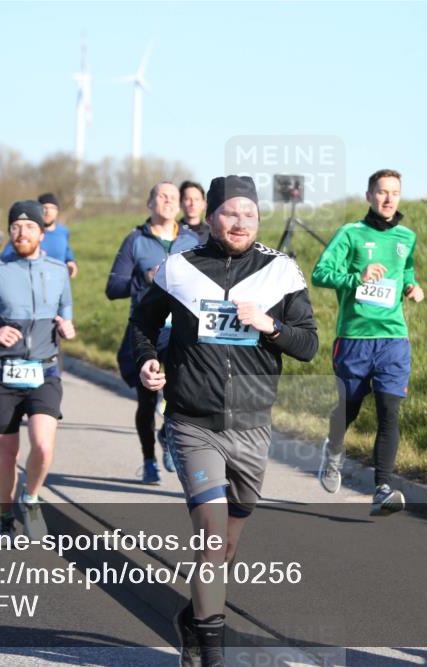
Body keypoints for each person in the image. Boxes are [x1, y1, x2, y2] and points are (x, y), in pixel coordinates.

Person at [131, 175, 318, 666]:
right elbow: (141, 325)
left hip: (253, 428)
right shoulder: (180, 270)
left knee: (226, 547)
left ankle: (194, 621)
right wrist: (149, 360)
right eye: (230, 213)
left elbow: (308, 344)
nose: (240, 222)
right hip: (194, 423)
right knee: (211, 537)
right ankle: (212, 653)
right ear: (211, 217)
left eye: (249, 214)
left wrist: (270, 325)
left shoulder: (281, 273)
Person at [0, 200, 75, 539]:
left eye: (29, 227)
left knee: (43, 445)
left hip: (45, 369)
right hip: (2, 373)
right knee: (7, 453)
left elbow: (65, 304)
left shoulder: (56, 270)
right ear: (9, 232)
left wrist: (67, 324)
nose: (21, 232)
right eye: (15, 227)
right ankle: (5, 517)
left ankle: (32, 497)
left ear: (41, 232)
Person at [312, 169, 425, 516]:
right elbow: (320, 273)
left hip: (393, 338)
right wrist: (355, 278)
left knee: (389, 411)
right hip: (355, 339)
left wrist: (411, 285)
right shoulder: (350, 234)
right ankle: (333, 450)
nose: (388, 199)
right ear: (368, 196)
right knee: (349, 408)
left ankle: (383, 488)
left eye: (395, 192)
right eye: (381, 192)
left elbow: (406, 271)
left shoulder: (407, 236)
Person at [107, 182, 200, 484]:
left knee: (183, 393)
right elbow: (113, 288)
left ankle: (167, 433)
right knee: (147, 400)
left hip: (183, 332)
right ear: (149, 203)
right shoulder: (135, 240)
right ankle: (148, 460)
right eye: (162, 196)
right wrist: (145, 279)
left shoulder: (192, 240)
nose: (169, 201)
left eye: (173, 197)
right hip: (149, 330)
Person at [0, 193, 78, 277]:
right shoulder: (25, 235)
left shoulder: (63, 231)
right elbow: (4, 258)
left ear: (57, 211)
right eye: (45, 207)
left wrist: (71, 262)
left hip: (57, 281)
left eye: (52, 208)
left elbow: (67, 252)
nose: (48, 212)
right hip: (31, 280)